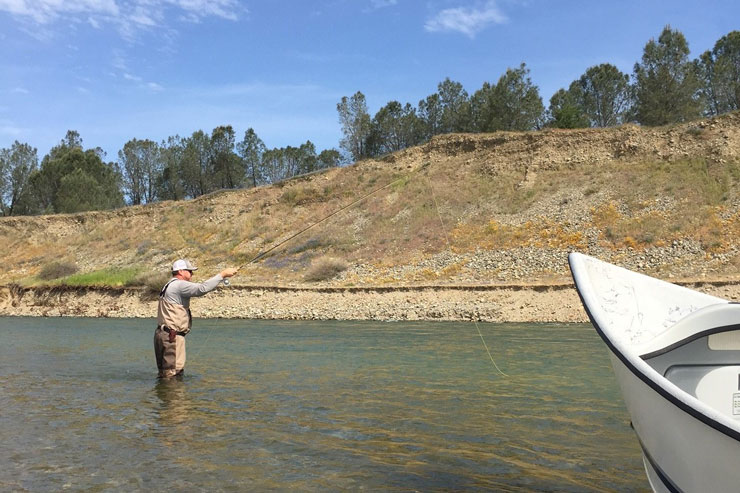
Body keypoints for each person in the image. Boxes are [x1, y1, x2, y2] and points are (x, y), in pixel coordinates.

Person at [154, 259, 237, 378]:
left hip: (162, 335)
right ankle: (174, 396)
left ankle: (163, 396)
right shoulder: (179, 284)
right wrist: (222, 274)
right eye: (190, 271)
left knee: (165, 375)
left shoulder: (168, 285)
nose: (192, 274)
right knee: (174, 375)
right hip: (172, 337)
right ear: (181, 271)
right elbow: (201, 289)